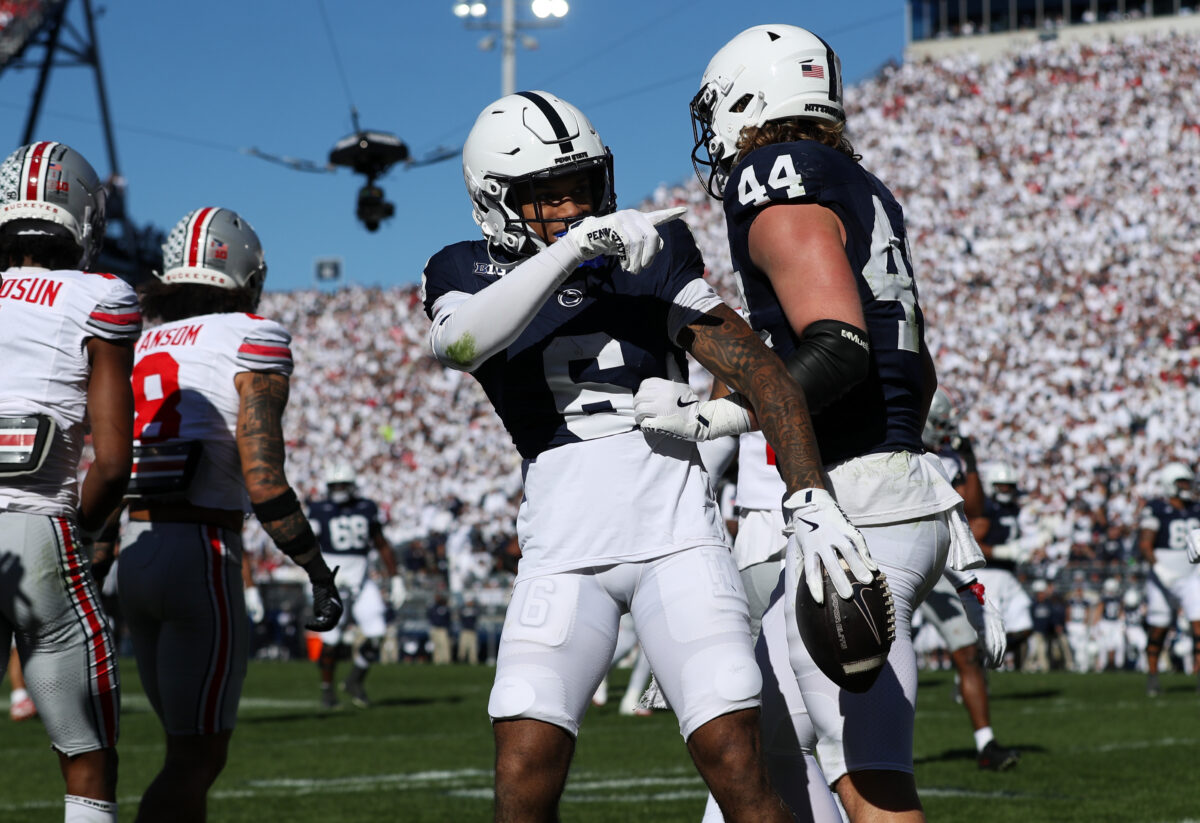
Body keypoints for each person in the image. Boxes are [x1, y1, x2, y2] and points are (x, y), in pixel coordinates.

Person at [422, 89, 861, 823]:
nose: (570, 209)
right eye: (546, 196)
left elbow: (762, 372)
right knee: (520, 782)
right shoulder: (463, 268)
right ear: (495, 201)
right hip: (560, 551)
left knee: (738, 768)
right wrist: (571, 251)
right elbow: (458, 343)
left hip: (675, 538)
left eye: (580, 189)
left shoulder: (650, 251)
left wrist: (808, 493)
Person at [641, 25, 991, 821]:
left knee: (869, 782)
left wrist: (719, 413)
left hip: (862, 497)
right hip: (883, 482)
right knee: (766, 748)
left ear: (747, 99)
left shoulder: (774, 173)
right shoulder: (850, 180)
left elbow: (838, 347)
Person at [118, 206, 343, 821]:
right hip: (200, 552)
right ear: (247, 275)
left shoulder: (141, 341)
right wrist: (317, 570)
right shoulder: (250, 336)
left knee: (181, 751)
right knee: (196, 763)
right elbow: (264, 480)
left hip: (133, 548)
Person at [0, 140, 139, 822]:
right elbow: (113, 461)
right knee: (87, 750)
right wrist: (80, 534)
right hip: (39, 522)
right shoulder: (99, 294)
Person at [920, 389, 1018, 770]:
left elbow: (977, 515)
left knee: (967, 652)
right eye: (940, 424)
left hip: (941, 563)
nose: (947, 432)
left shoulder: (949, 458)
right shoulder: (888, 444)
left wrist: (970, 459)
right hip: (893, 558)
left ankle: (986, 744)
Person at [308, 462, 404, 709]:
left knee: (377, 632)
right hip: (333, 580)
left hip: (361, 580)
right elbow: (306, 546)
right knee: (331, 639)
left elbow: (381, 543)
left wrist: (395, 577)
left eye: (343, 484)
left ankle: (354, 680)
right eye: (334, 485)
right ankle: (327, 691)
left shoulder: (366, 507)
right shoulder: (319, 509)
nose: (339, 489)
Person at [1138, 462, 1200, 696]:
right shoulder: (1156, 509)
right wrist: (1160, 570)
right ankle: (1153, 676)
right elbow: (1145, 544)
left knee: (1199, 625)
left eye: (1187, 481)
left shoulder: (1196, 508)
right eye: (1180, 482)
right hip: (1162, 575)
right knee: (1158, 629)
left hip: (1192, 575)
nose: (1186, 486)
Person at [971, 462, 1037, 669]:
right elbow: (971, 544)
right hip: (988, 575)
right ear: (992, 485)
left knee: (1024, 625)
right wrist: (1001, 552)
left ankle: (981, 659)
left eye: (1009, 485)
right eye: (1002, 485)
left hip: (1008, 575)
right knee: (992, 630)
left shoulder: (1014, 509)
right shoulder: (987, 509)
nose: (1006, 489)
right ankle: (974, 665)